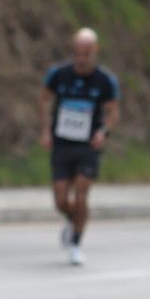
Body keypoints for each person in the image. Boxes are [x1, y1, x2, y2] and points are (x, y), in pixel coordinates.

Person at [41, 27, 120, 267]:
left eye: (86, 53)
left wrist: (103, 132)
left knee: (82, 192)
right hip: (63, 142)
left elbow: (113, 112)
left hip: (87, 145)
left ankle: (75, 242)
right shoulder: (58, 74)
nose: (81, 58)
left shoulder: (105, 80)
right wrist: (45, 130)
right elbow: (43, 101)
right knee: (61, 199)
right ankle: (72, 218)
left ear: (95, 52)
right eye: (77, 53)